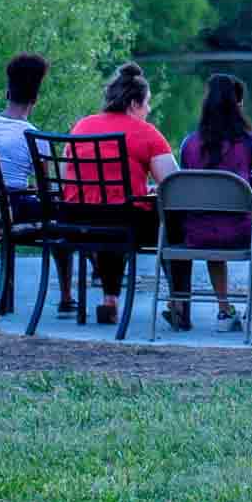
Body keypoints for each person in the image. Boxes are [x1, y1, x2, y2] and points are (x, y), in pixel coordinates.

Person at [70, 62, 180, 326]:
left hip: (78, 221)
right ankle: (178, 302)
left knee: (110, 212)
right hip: (125, 221)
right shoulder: (145, 133)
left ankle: (110, 301)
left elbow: (67, 173)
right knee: (173, 221)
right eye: (147, 103)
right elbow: (176, 184)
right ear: (133, 103)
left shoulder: (81, 126)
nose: (149, 110)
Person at [176, 74, 252, 335]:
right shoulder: (251, 144)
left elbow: (184, 190)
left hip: (198, 234)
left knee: (212, 230)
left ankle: (223, 309)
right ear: (237, 105)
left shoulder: (189, 144)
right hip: (240, 233)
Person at [0, 52, 72, 314]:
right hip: (16, 207)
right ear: (35, 99)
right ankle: (67, 295)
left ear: (7, 92)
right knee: (62, 218)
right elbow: (45, 187)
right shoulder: (33, 135)